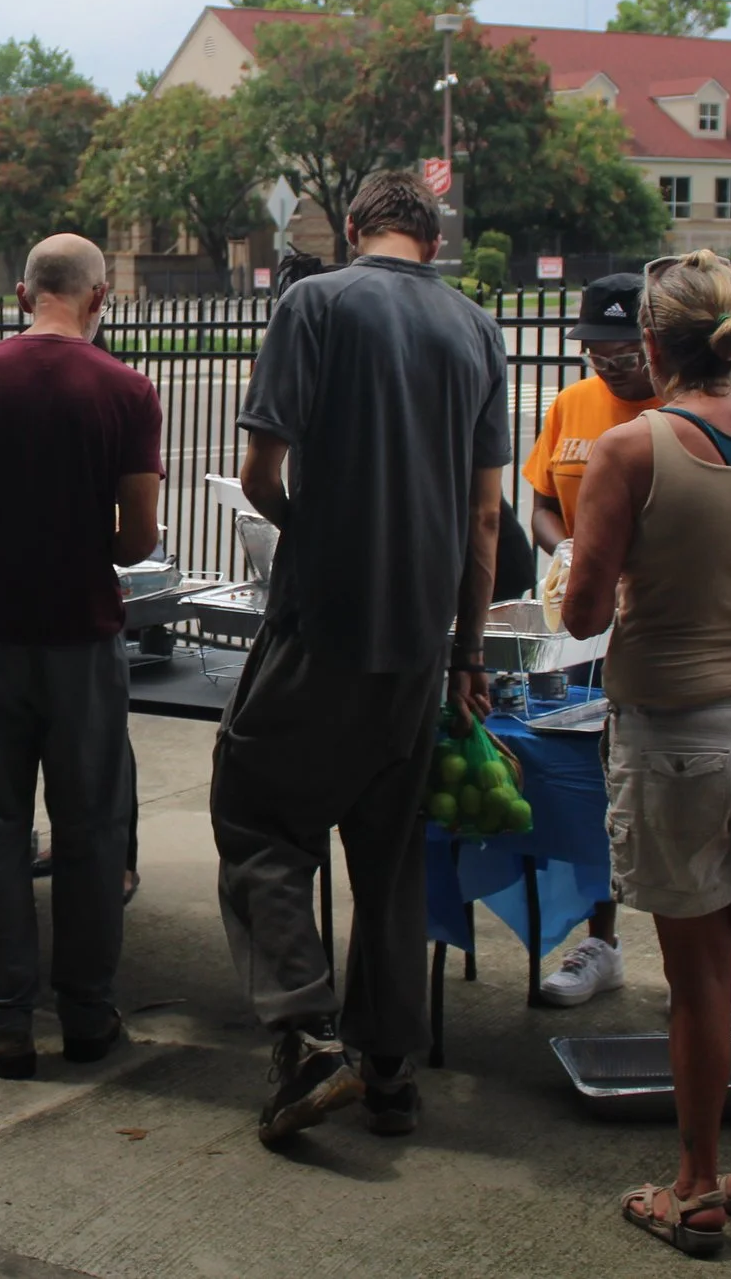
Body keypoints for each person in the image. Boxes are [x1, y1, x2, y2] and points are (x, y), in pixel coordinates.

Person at [212, 168, 509, 1147]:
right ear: (430, 237)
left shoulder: (314, 301)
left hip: (322, 621)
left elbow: (259, 470)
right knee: (387, 853)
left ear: (351, 229)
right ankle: (389, 1069)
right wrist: (466, 648)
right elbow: (484, 514)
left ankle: (303, 1035)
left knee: (257, 809)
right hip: (422, 638)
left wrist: (312, 534)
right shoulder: (476, 329)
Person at [561, 249, 731, 1256]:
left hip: (677, 731)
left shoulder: (631, 449)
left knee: (696, 976)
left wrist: (624, 582)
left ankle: (691, 1185)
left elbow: (585, 608)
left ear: (649, 343)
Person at [0, 235, 164, 1080]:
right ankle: (90, 1012)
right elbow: (139, 538)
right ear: (98, 300)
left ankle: (0, 1016)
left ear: (23, 294)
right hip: (83, 632)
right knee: (91, 825)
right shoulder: (128, 390)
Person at [519, 271, 660, 1007]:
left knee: (653, 788)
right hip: (576, 622)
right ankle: (600, 937)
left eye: (623, 349)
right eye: (596, 350)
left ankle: (682, 948)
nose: (608, 363)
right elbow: (542, 503)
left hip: (654, 624)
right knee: (587, 782)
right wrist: (568, 550)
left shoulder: (677, 409)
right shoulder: (571, 405)